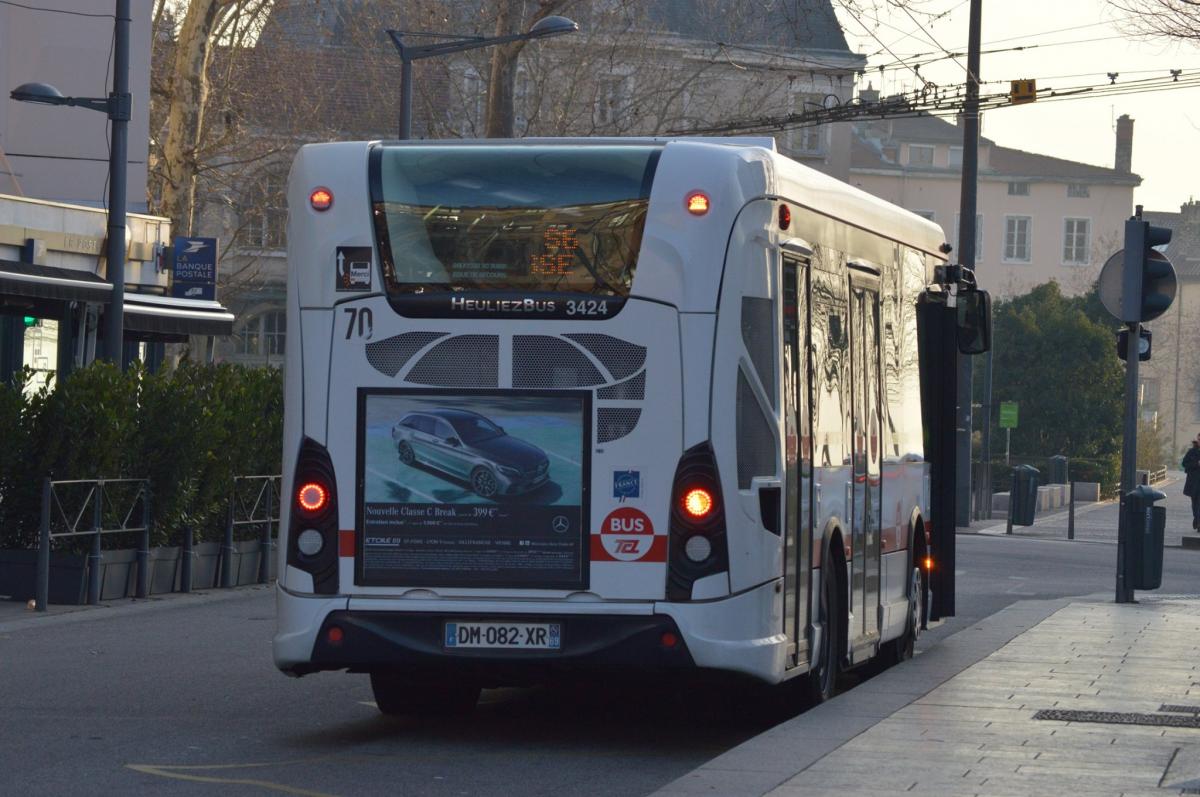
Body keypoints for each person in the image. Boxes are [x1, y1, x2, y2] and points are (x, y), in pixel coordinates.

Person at [1183, 434, 1200, 530]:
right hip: (1193, 483)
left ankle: (1198, 522)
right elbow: (1184, 464)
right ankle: (1197, 519)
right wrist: (1196, 464)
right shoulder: (1192, 452)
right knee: (1195, 504)